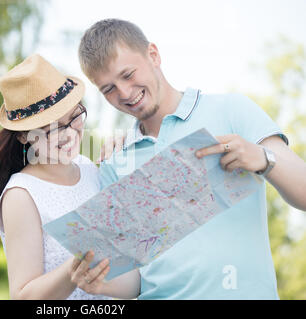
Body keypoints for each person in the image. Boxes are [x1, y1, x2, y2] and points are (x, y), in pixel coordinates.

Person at [71, 18, 306, 299]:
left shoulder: (232, 111)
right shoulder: (114, 162)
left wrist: (264, 159)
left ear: (153, 55)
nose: (124, 93)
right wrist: (102, 283)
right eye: (108, 89)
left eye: (128, 74)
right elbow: (136, 278)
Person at [0, 54, 123, 299]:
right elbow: (23, 296)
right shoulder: (21, 195)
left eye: (74, 118)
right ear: (23, 136)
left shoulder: (90, 169)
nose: (68, 135)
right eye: (51, 128)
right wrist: (77, 264)